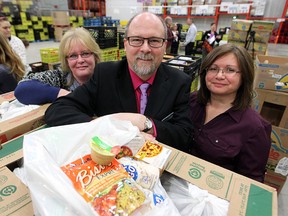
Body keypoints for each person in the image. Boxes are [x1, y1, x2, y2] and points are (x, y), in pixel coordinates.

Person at [45, 12, 193, 152]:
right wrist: (104, 127)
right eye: (136, 40)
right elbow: (58, 110)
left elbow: (185, 136)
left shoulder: (179, 82)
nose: (145, 48)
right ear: (125, 44)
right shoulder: (105, 75)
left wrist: (147, 123)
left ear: (164, 46)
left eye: (154, 41)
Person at [189, 43, 271, 182]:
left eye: (230, 70)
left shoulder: (255, 128)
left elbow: (251, 180)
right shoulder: (191, 101)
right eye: (213, 68)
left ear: (244, 76)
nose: (219, 76)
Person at [14, 27, 101, 105]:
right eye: (73, 56)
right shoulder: (60, 77)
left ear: (95, 56)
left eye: (85, 53)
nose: (80, 60)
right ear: (66, 60)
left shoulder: (106, 75)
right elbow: (22, 89)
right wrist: (65, 95)